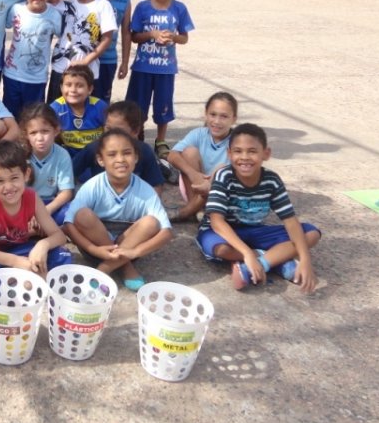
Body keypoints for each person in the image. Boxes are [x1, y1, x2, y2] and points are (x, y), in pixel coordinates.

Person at [197, 123, 321, 294]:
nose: (245, 157)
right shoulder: (224, 176)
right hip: (222, 232)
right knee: (220, 249)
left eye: (252, 151)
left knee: (311, 233)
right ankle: (275, 259)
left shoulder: (272, 180)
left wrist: (306, 259)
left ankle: (262, 264)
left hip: (256, 231)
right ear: (229, 154)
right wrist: (247, 253)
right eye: (238, 151)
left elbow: (290, 221)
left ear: (266, 154)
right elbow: (216, 221)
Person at [62, 129, 173, 291]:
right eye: (112, 155)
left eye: (127, 153)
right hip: (96, 248)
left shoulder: (145, 190)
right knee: (83, 215)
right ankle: (125, 267)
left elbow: (167, 232)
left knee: (151, 222)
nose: (120, 159)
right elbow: (68, 224)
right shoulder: (93, 186)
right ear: (100, 160)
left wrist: (135, 252)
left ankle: (105, 269)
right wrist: (94, 249)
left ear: (135, 157)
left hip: (129, 246)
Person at [0, 140, 72, 277]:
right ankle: (19, 277)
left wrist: (43, 245)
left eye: (14, 178)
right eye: (0, 181)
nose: (8, 187)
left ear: (26, 174)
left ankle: (25, 278)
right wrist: (15, 262)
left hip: (19, 250)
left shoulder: (32, 198)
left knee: (62, 254)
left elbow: (59, 236)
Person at [126, 0, 194, 158]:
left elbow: (185, 38)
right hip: (142, 68)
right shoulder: (143, 7)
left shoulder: (179, 9)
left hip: (166, 69)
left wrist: (172, 37)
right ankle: (137, 136)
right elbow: (135, 36)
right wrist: (152, 34)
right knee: (138, 105)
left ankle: (161, 140)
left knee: (163, 105)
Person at [48, 0, 117, 103]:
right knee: (55, 113)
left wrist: (86, 61)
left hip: (87, 72)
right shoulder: (66, 4)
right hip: (61, 69)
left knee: (86, 114)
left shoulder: (103, 6)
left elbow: (107, 38)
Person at [1, 0, 62, 121]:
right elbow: (6, 25)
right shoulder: (16, 10)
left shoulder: (54, 15)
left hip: (37, 78)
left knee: (32, 119)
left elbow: (62, 38)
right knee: (10, 117)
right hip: (12, 75)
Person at [168, 91, 238, 222]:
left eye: (224, 116)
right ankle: (197, 209)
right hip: (195, 189)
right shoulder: (199, 134)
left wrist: (211, 182)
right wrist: (192, 173)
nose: (217, 121)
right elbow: (172, 155)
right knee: (189, 152)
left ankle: (187, 212)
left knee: (222, 168)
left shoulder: (237, 140)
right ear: (205, 114)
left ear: (234, 119)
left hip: (222, 195)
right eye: (213, 114)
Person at [71, 101, 165, 197]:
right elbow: (69, 172)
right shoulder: (95, 148)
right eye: (108, 129)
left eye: (118, 131)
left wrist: (150, 206)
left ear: (135, 131)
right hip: (100, 201)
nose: (112, 135)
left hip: (134, 202)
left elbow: (156, 185)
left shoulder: (144, 151)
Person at [20, 102, 74, 223]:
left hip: (50, 204)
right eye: (33, 133)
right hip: (24, 203)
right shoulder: (20, 154)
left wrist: (46, 211)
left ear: (56, 130)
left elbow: (66, 192)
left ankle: (39, 228)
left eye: (45, 131)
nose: (39, 138)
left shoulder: (62, 155)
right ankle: (41, 229)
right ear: (26, 134)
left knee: (72, 213)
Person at [94, 0, 132, 103]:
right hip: (85, 59)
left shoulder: (125, 2)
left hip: (108, 60)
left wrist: (125, 62)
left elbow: (126, 33)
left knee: (102, 101)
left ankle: (101, 127)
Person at [49, 65, 107, 157]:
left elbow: (110, 134)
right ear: (61, 88)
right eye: (68, 85)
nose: (73, 90)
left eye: (80, 86)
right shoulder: (55, 109)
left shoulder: (100, 107)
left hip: (95, 156)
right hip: (68, 156)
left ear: (90, 89)